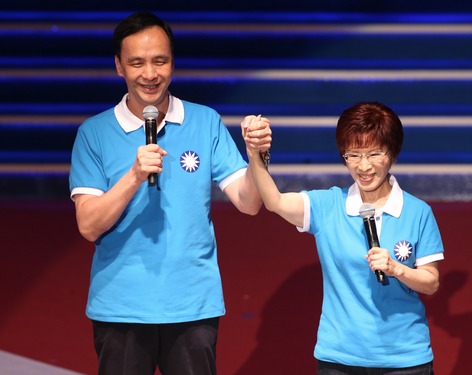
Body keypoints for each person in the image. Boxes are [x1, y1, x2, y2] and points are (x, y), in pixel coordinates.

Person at [69, 11, 271, 375]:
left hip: (193, 304)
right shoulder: (93, 133)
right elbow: (89, 225)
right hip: (121, 305)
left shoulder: (205, 121)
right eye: (137, 62)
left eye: (160, 61)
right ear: (119, 66)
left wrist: (257, 157)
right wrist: (133, 175)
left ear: (172, 63)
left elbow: (249, 202)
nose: (150, 73)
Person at [242, 102, 444, 375]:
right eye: (353, 155)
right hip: (340, 358)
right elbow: (275, 201)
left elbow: (431, 283)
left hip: (405, 359)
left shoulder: (418, 212)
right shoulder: (328, 206)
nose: (364, 166)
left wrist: (397, 269)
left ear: (392, 154)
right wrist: (255, 153)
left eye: (374, 154)